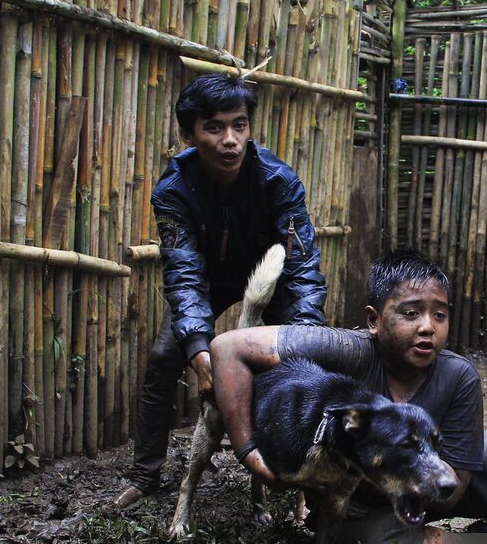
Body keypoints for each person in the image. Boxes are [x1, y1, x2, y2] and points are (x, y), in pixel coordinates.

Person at [211, 251, 487, 544]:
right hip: (359, 507)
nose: (427, 326)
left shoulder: (458, 376)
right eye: (410, 312)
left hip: (427, 477)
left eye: (440, 315)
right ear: (374, 319)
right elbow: (227, 348)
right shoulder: (345, 349)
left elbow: (450, 494)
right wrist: (248, 453)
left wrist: (383, 471)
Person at [112, 73, 328, 510]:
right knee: (163, 359)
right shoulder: (173, 189)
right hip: (208, 279)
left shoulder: (279, 181)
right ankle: (145, 473)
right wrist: (197, 346)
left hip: (272, 275)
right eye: (214, 127)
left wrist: (303, 334)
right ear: (189, 134)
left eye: (240, 125)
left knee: (304, 364)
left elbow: (302, 266)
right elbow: (184, 271)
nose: (230, 139)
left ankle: (303, 475)